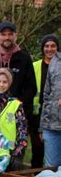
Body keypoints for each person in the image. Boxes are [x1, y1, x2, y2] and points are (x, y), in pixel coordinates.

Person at [0, 21, 36, 125]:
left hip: (15, 113)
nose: (7, 37)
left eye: (10, 34)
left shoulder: (24, 58)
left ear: (15, 36)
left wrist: (19, 106)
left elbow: (31, 88)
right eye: (3, 34)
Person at [32, 35, 59, 168]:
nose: (49, 49)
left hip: (56, 115)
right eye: (46, 46)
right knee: (38, 152)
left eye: (53, 46)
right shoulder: (35, 66)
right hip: (39, 114)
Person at [40, 50, 61, 167]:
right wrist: (42, 127)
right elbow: (46, 96)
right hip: (51, 127)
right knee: (50, 171)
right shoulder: (55, 60)